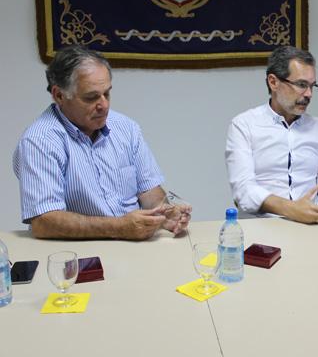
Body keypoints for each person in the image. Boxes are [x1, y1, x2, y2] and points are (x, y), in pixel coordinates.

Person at [13, 45, 190, 240]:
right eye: (91, 97)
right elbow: (43, 221)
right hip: (79, 254)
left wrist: (163, 213)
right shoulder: (40, 140)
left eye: (107, 93)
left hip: (135, 246)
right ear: (59, 95)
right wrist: (118, 228)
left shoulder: (125, 127)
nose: (104, 105)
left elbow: (148, 190)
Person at [225, 46, 318, 224]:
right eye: (301, 85)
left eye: (312, 86)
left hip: (313, 224)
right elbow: (244, 190)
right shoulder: (244, 125)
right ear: (273, 82)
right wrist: (291, 208)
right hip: (261, 225)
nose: (309, 94)